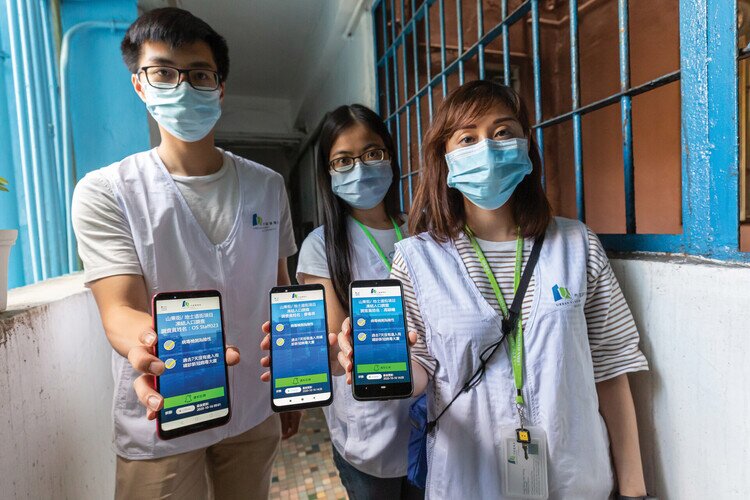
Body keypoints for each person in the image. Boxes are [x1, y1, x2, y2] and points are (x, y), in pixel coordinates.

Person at [337, 80, 651, 499]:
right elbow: (420, 369)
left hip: (576, 477)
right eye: (467, 138)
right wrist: (377, 362)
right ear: (444, 158)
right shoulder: (415, 259)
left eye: (503, 132)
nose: (487, 147)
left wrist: (634, 491)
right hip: (469, 479)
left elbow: (612, 370)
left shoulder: (577, 244)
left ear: (525, 146)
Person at [71, 8, 300, 500]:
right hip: (163, 411)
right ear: (139, 84)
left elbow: (280, 289)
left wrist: (293, 380)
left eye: (198, 74)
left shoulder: (267, 186)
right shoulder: (107, 191)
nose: (182, 86)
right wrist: (153, 347)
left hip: (253, 405)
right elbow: (118, 309)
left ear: (220, 87)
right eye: (163, 72)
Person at [260, 104, 421, 499]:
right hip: (369, 431)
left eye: (372, 153)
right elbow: (334, 349)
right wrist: (314, 356)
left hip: (429, 416)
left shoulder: (420, 229)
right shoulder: (322, 245)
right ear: (328, 173)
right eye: (343, 160)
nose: (360, 168)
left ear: (389, 156)